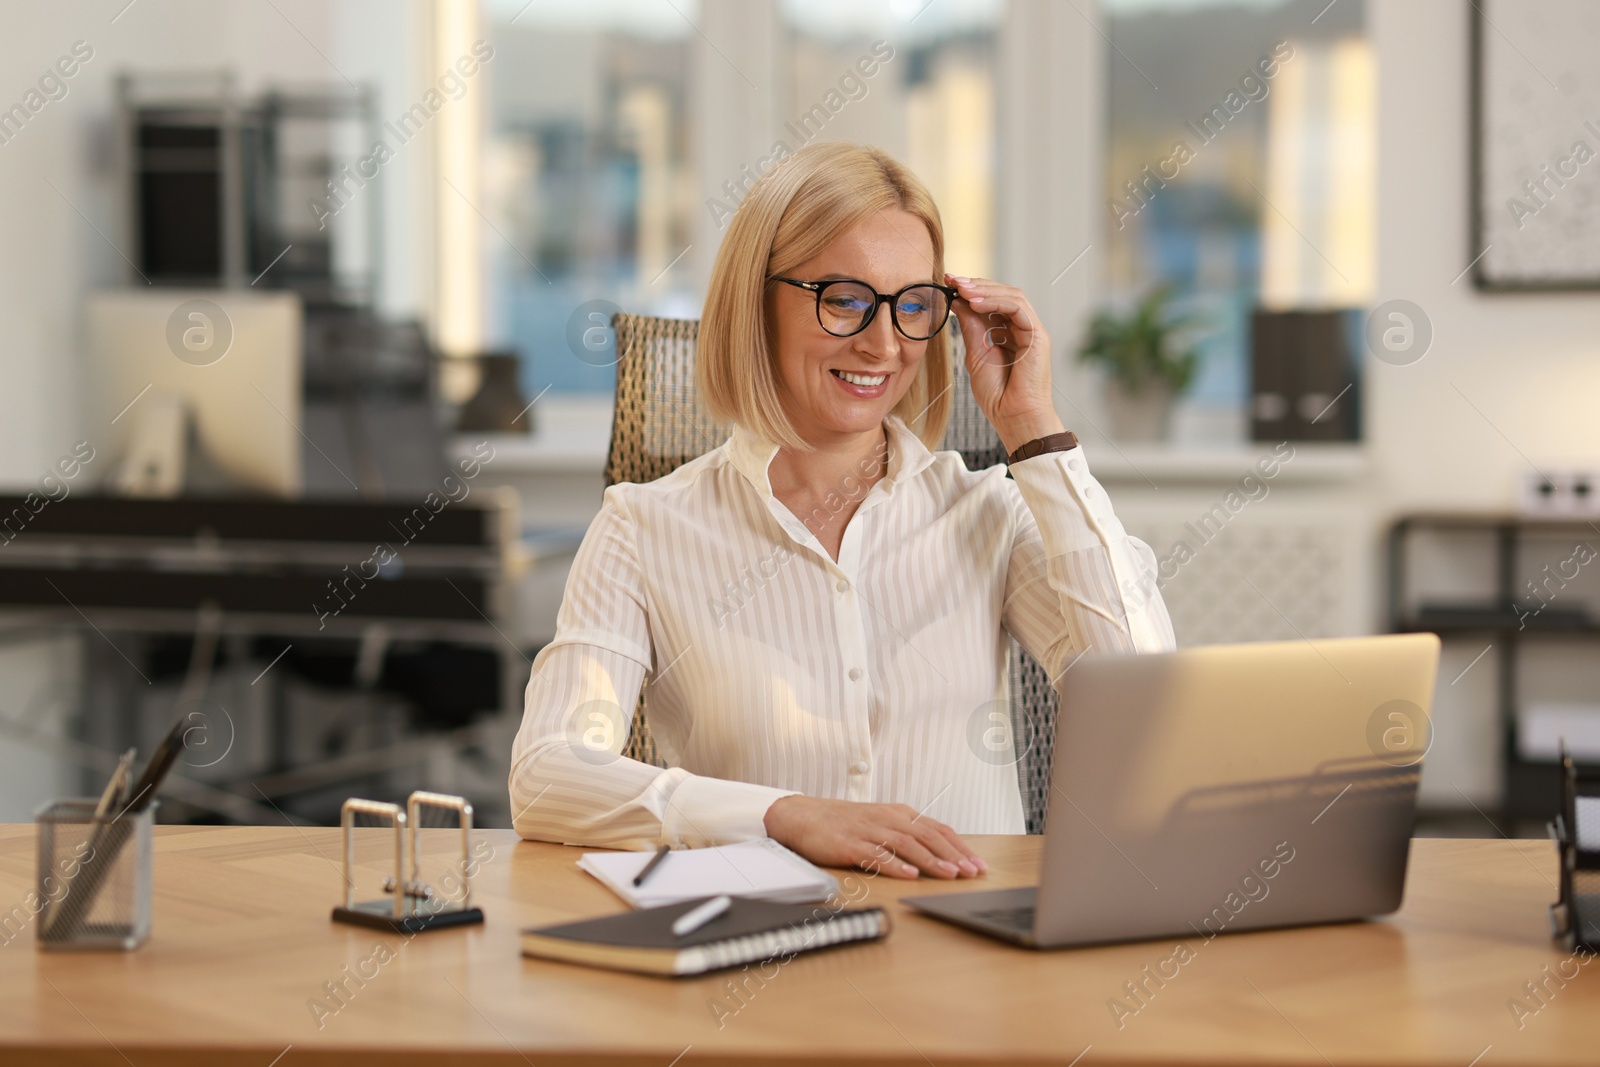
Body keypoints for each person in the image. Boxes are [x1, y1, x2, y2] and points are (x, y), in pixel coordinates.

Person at [509, 141, 1175, 880]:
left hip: (968, 961)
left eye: (913, 304)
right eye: (847, 299)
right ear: (756, 303)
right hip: (757, 953)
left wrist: (1034, 431)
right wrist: (781, 814)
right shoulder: (641, 527)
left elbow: (1145, 702)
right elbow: (546, 776)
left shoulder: (987, 510)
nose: (884, 343)